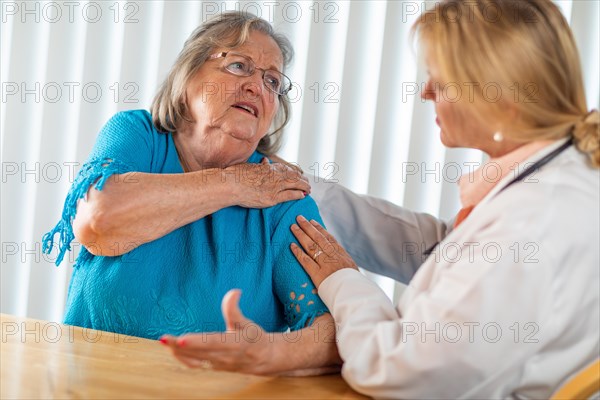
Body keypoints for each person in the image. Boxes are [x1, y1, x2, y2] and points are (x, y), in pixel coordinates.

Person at [285, 0, 599, 397]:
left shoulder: (533, 219)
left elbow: (399, 370)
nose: (426, 91)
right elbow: (445, 254)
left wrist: (340, 279)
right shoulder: (559, 176)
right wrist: (307, 189)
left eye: (441, 80)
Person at [42, 11, 341, 375]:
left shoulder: (280, 196)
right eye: (238, 66)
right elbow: (98, 223)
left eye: (272, 81)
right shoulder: (138, 137)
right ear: (188, 77)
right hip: (89, 385)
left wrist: (275, 352)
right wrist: (233, 183)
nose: (256, 87)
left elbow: (337, 332)